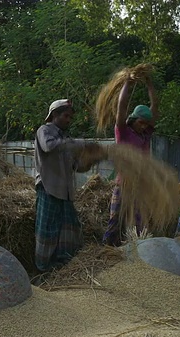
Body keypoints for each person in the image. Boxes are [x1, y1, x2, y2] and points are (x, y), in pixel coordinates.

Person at [34, 99, 103, 272]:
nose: (68, 120)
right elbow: (49, 147)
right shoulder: (45, 131)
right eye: (66, 116)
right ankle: (42, 268)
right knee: (47, 230)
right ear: (54, 115)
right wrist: (81, 144)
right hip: (49, 188)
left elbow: (77, 167)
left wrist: (94, 158)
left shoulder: (66, 139)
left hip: (65, 192)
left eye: (70, 117)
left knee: (68, 229)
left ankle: (62, 266)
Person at [102, 75, 158, 247]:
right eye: (141, 123)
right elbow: (122, 107)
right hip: (124, 183)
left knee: (140, 222)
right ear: (134, 120)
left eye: (146, 124)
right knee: (116, 218)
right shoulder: (123, 133)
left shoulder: (145, 135)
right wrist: (127, 82)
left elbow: (155, 107)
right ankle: (107, 249)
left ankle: (139, 250)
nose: (143, 126)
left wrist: (149, 83)